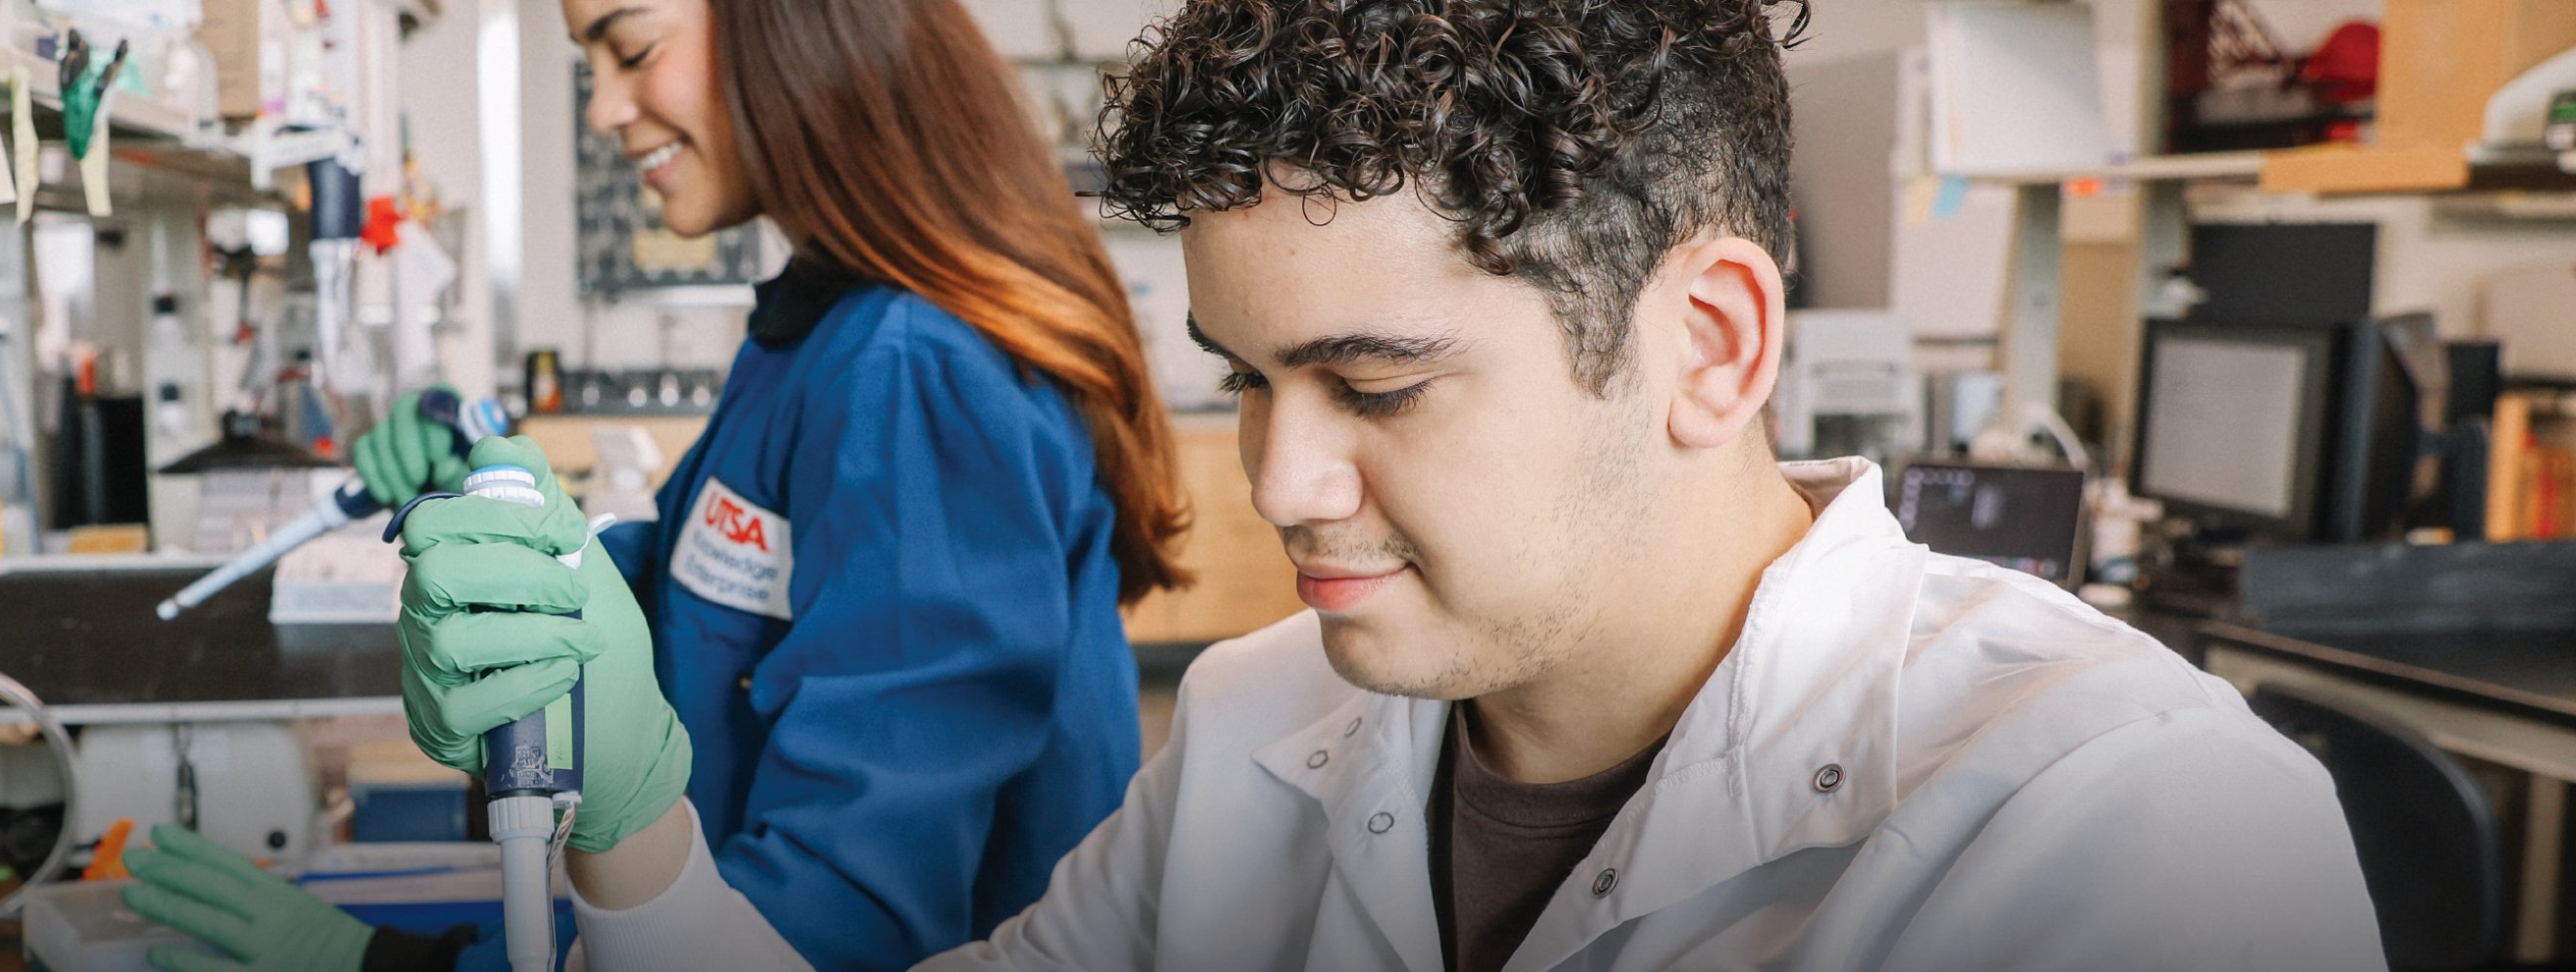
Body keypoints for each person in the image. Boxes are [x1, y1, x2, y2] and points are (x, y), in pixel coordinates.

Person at [374, 0, 2390, 969]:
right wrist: (631, 848)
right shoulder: (1267, 723)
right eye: (1245, 380)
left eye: (1373, 383)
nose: (1282, 476)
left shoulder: (2131, 834)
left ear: (1705, 345)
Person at [120, 0, 1192, 968]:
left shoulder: (914, 364)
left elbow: (844, 912)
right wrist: (506, 512)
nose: (604, 109)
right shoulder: (822, 331)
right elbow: (714, 598)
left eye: (631, 49)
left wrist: (414, 967)